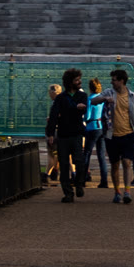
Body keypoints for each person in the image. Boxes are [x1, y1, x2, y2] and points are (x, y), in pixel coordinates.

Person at [46, 68, 90, 204]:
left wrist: (72, 109)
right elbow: (54, 115)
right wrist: (50, 133)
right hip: (63, 135)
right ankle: (68, 193)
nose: (79, 82)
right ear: (70, 82)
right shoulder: (61, 98)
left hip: (77, 133)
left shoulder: (82, 96)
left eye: (79, 79)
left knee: (79, 161)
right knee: (64, 165)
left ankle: (79, 183)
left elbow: (84, 110)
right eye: (77, 80)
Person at [103, 70, 134, 205]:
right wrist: (104, 99)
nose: (112, 82)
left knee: (127, 162)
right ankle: (117, 191)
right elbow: (94, 101)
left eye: (114, 80)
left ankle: (127, 191)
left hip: (128, 134)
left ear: (121, 81)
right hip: (112, 135)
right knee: (114, 165)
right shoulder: (109, 93)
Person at [84, 78, 110, 188]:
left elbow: (88, 116)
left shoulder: (90, 99)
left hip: (92, 127)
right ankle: (104, 180)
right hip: (101, 127)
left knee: (87, 153)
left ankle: (83, 178)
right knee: (101, 155)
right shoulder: (102, 98)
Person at [44, 84, 63, 183]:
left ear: (52, 93)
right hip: (60, 131)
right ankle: (55, 172)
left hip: (54, 131)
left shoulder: (56, 103)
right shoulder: (64, 101)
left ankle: (47, 174)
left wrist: (50, 133)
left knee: (51, 154)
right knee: (57, 154)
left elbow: (54, 119)